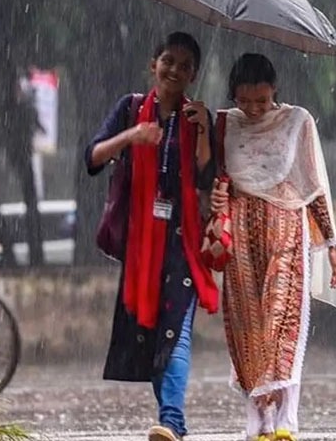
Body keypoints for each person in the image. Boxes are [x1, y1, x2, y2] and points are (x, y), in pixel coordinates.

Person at [84, 31, 219, 441]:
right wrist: (132, 137)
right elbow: (92, 157)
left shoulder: (198, 118)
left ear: (193, 75)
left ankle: (173, 423)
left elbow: (206, 179)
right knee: (151, 335)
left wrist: (203, 137)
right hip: (142, 243)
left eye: (184, 65)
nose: (174, 69)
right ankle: (172, 422)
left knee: (174, 331)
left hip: (183, 241)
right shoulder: (129, 108)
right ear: (153, 64)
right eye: (168, 61)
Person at [209, 53, 336, 441]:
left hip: (287, 229)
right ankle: (257, 417)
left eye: (262, 101)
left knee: (282, 318)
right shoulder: (221, 124)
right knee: (246, 324)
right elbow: (212, 177)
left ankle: (288, 416)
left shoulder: (296, 121)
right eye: (245, 101)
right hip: (239, 237)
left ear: (276, 93)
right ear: (233, 95)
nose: (253, 110)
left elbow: (313, 185)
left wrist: (332, 245)